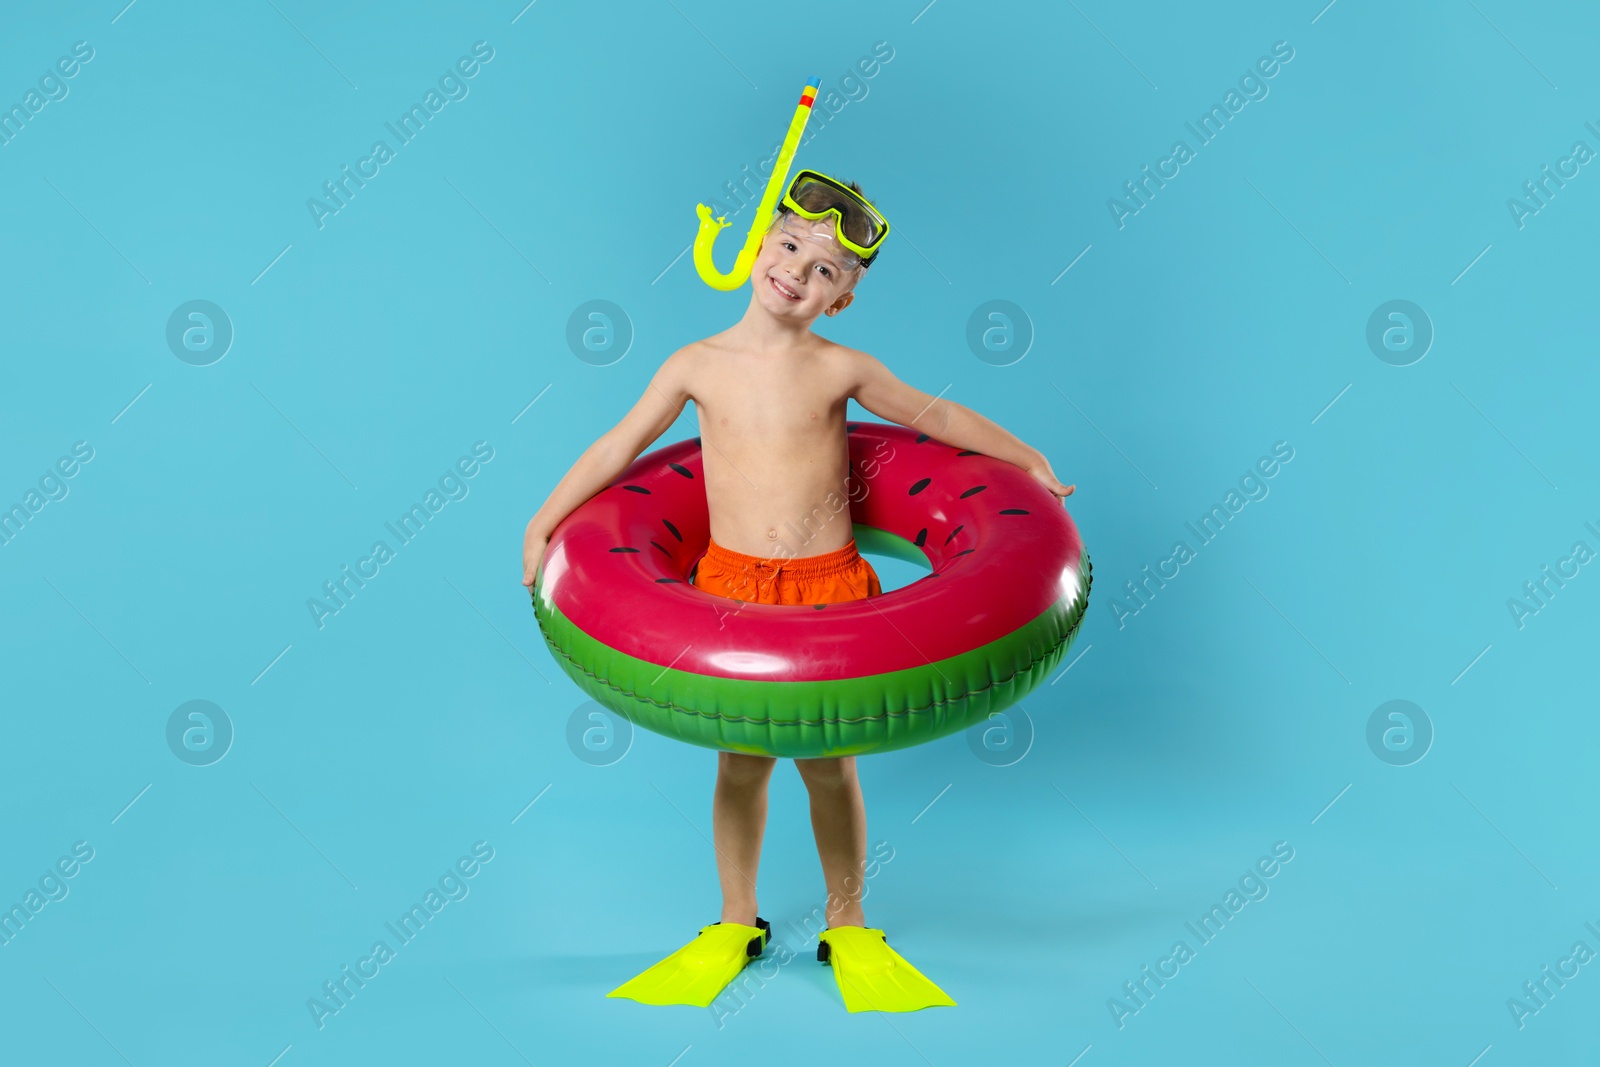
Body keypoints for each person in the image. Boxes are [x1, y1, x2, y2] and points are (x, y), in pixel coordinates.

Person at [520, 170, 1074, 1012]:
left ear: (842, 299)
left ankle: (847, 919)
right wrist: (543, 521)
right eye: (788, 247)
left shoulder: (840, 367)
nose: (797, 272)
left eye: (825, 271)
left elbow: (937, 419)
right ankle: (735, 919)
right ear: (756, 247)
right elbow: (618, 447)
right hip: (730, 589)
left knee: (828, 766)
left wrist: (1026, 456)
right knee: (740, 764)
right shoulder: (696, 364)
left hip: (829, 589)